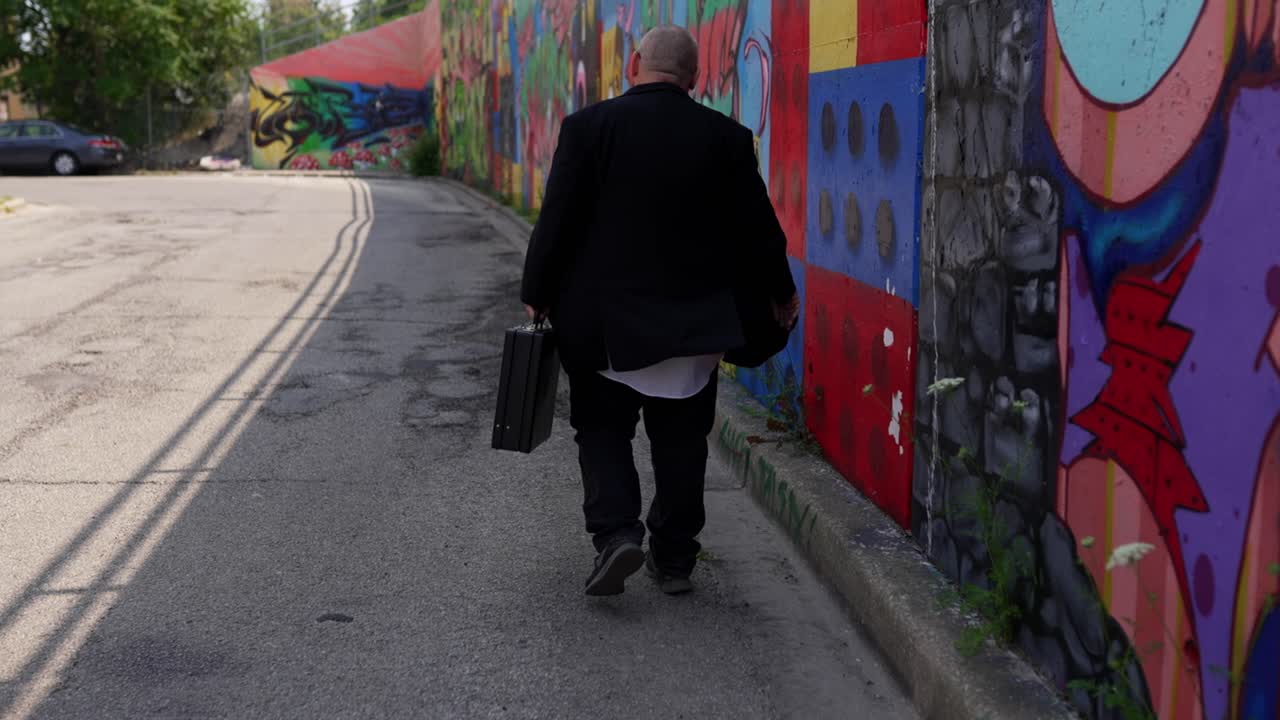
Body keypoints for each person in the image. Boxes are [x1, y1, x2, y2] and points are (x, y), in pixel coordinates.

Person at [520, 25, 799, 597]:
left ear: (632, 65)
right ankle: (673, 558)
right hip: (693, 327)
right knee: (681, 440)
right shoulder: (727, 137)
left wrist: (538, 288)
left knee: (601, 430)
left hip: (602, 324)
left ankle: (617, 534)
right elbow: (759, 232)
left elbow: (558, 223)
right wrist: (781, 291)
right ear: (695, 78)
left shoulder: (587, 128)